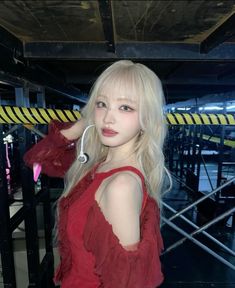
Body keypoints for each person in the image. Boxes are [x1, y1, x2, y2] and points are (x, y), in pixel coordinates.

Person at [24, 60, 169, 288]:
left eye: (125, 107)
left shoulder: (121, 184)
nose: (108, 118)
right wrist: (84, 123)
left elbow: (126, 282)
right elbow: (36, 162)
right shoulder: (98, 163)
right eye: (102, 104)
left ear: (147, 118)